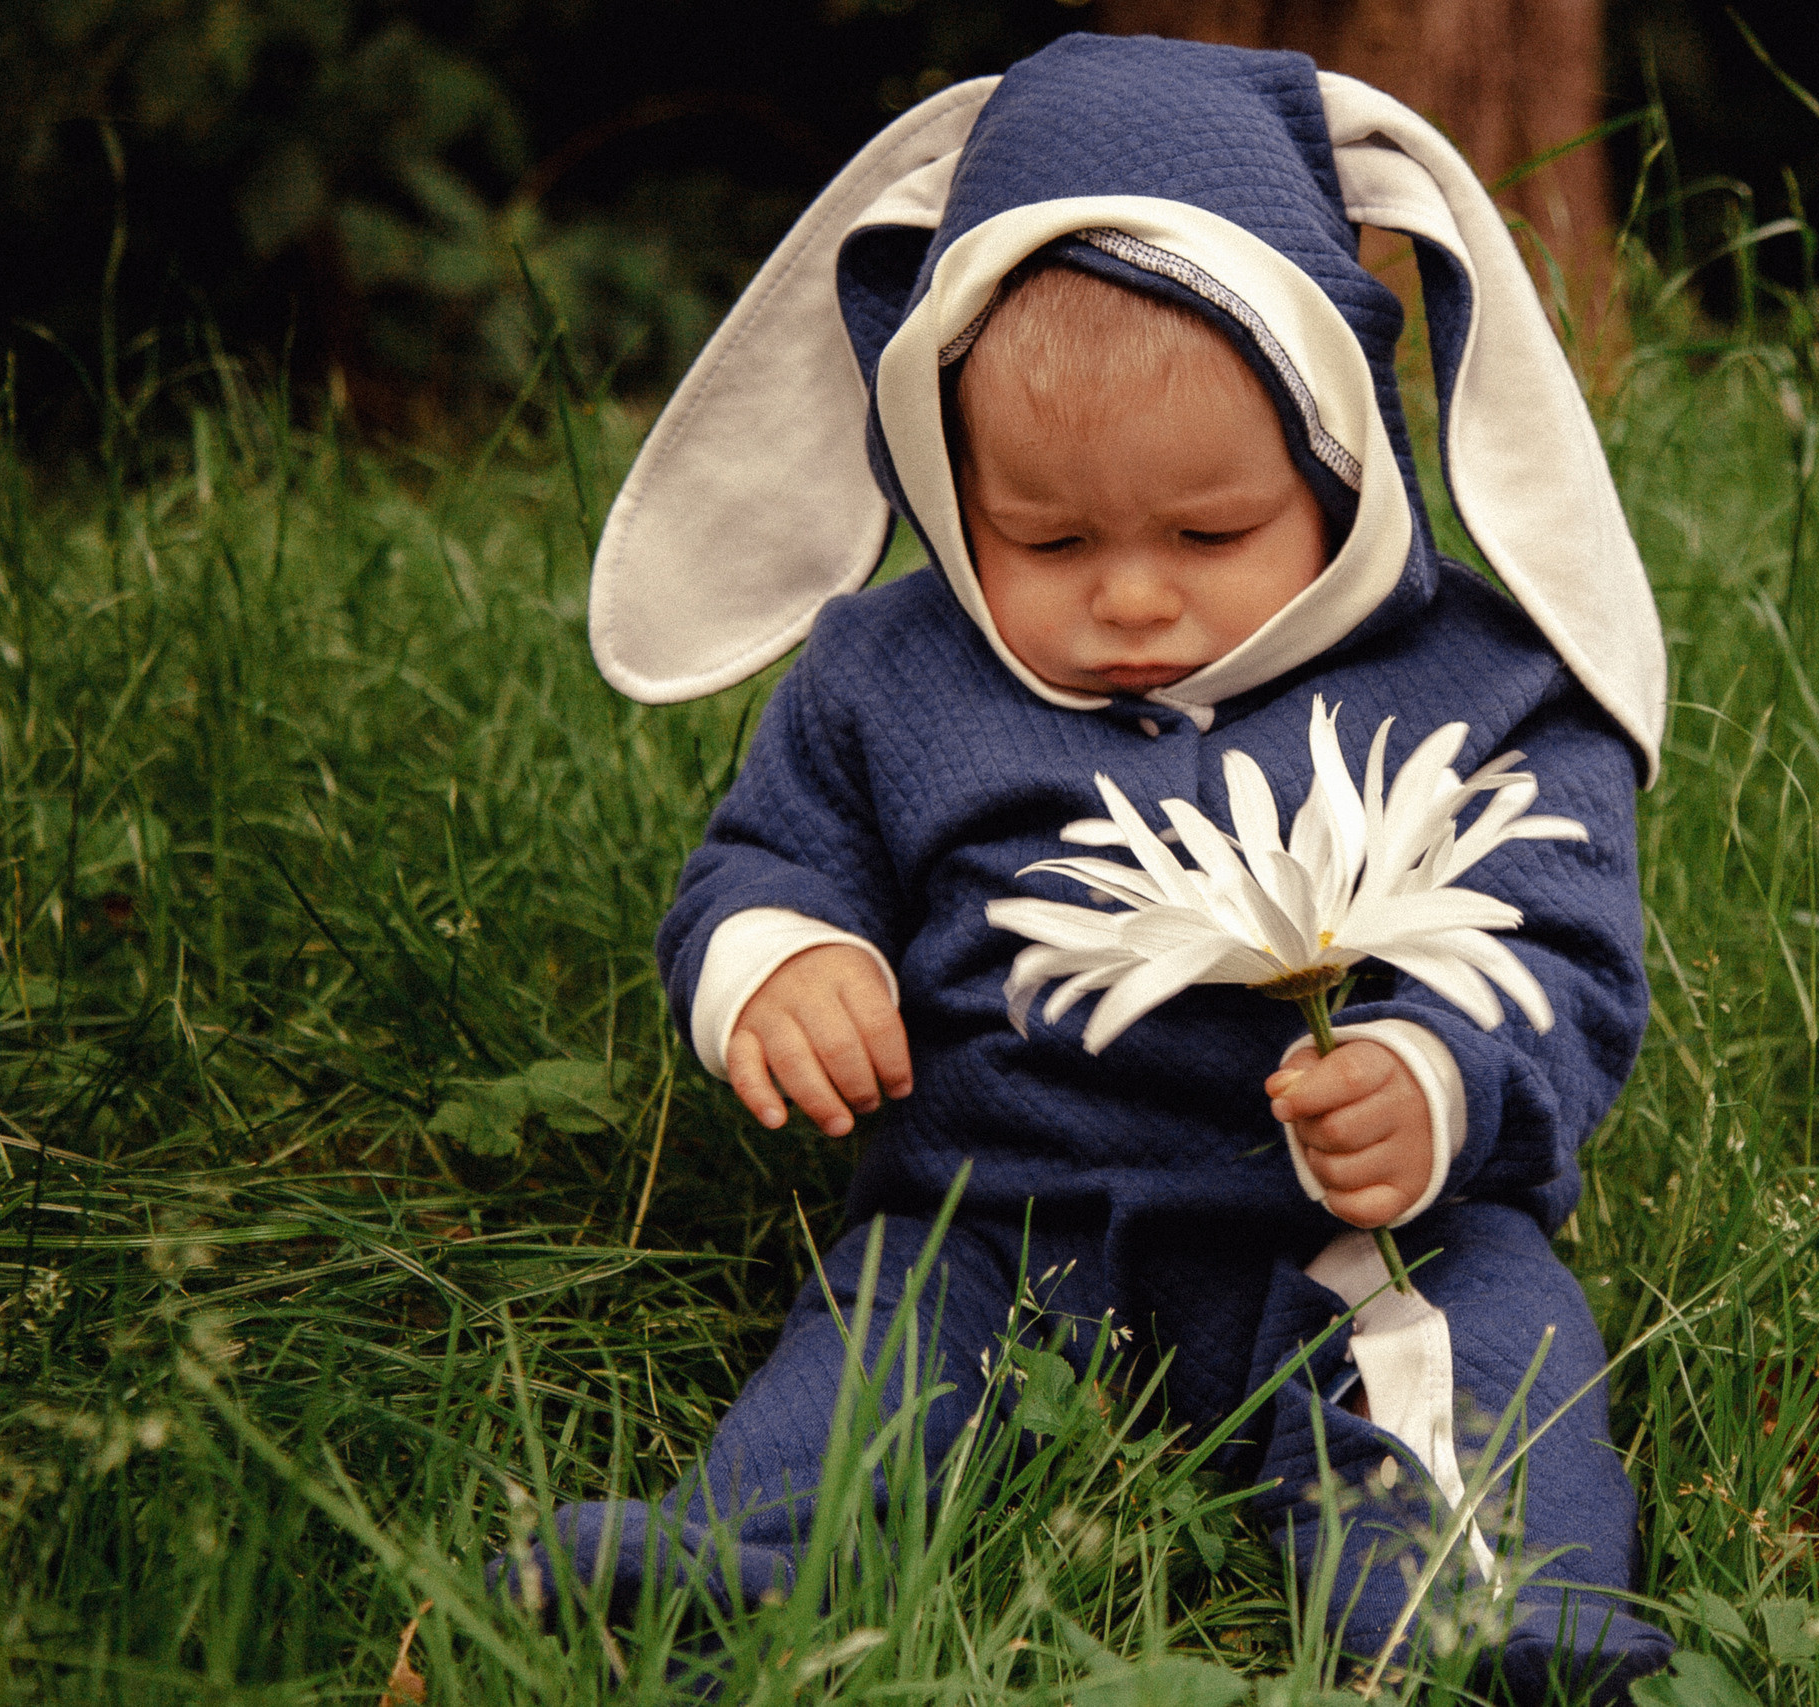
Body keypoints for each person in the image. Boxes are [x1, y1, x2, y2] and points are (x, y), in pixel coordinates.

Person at [548, 31, 1675, 1701]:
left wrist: (1435, 1076)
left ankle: (1472, 1620)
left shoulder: (1484, 690)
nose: (1131, 600)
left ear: (1346, 460)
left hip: (1352, 1235)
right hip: (988, 1223)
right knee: (866, 1366)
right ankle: (732, 1579)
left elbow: (1560, 952)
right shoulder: (888, 676)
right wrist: (781, 964)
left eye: (1210, 534)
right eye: (1049, 539)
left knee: (1482, 1345)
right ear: (947, 483)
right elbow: (762, 862)